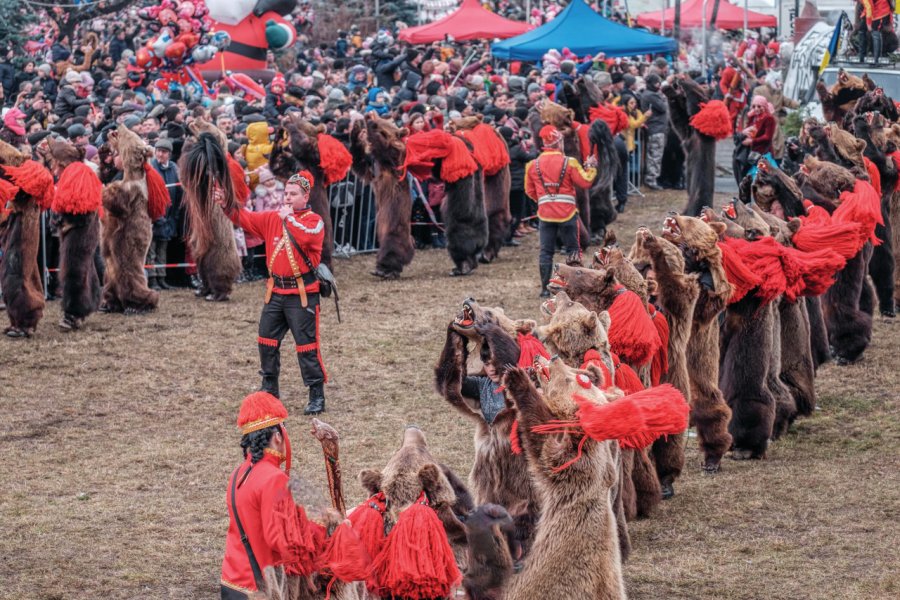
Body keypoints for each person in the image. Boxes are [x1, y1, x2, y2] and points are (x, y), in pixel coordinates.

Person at [221, 171, 328, 415]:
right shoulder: (273, 218)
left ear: (305, 196)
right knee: (266, 341)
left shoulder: (314, 221)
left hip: (302, 294)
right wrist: (225, 202)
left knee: (307, 347)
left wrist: (288, 219)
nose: (287, 198)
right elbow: (244, 218)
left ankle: (316, 394)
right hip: (276, 293)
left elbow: (307, 236)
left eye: (293, 194)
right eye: (286, 193)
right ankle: (270, 388)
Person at [221, 391, 301, 599]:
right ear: (277, 436)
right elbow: (280, 540)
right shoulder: (274, 478)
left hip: (231, 581)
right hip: (260, 589)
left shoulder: (237, 473)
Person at [525, 125, 597, 297]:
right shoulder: (569, 162)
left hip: (545, 214)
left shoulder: (532, 165)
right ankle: (577, 288)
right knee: (573, 249)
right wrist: (591, 167)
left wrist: (543, 201)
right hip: (568, 213)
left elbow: (529, 190)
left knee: (546, 251)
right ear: (558, 142)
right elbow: (586, 182)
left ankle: (544, 289)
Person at [148, 138, 180, 290]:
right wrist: (156, 215)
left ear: (169, 154)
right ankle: (152, 279)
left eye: (164, 152)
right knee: (151, 250)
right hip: (155, 215)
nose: (160, 154)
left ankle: (162, 278)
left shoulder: (174, 168)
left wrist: (174, 216)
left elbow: (178, 190)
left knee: (162, 249)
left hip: (169, 215)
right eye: (159, 151)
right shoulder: (151, 167)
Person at [640, 73, 668, 191]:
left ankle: (652, 177)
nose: (659, 85)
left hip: (656, 128)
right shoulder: (651, 95)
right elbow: (663, 107)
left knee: (655, 154)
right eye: (657, 83)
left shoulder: (647, 94)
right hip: (656, 128)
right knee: (655, 155)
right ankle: (651, 179)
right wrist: (663, 97)